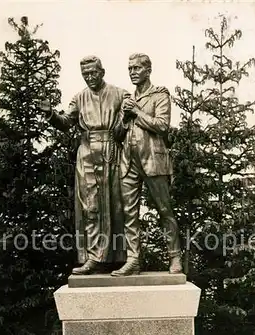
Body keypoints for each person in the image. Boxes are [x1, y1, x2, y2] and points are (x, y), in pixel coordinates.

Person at [39, 56, 129, 275]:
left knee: (116, 204)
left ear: (102, 71)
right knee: (90, 205)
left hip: (111, 151)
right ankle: (92, 257)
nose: (89, 77)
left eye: (93, 72)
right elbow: (66, 123)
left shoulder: (119, 93)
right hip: (87, 152)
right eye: (85, 74)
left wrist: (122, 123)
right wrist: (50, 114)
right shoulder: (79, 98)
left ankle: (118, 257)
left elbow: (127, 120)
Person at [111, 53, 182, 277]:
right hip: (129, 161)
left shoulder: (159, 95)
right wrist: (124, 117)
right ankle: (133, 260)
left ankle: (175, 256)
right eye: (130, 68)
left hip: (153, 160)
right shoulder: (128, 100)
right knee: (129, 213)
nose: (132, 72)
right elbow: (117, 134)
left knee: (164, 209)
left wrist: (136, 112)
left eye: (137, 68)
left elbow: (162, 126)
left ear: (148, 70)